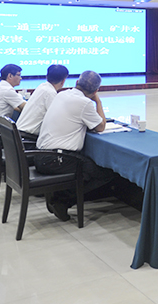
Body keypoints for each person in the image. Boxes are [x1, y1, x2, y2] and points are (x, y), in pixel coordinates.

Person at [35, 71, 116, 222]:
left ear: (77, 83)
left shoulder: (62, 94)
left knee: (88, 166)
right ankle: (62, 201)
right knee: (104, 173)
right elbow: (100, 127)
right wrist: (98, 102)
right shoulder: (84, 103)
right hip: (56, 159)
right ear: (96, 91)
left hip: (41, 155)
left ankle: (58, 197)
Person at [15, 64, 70, 140]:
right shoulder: (50, 93)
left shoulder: (42, 87)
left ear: (46, 76)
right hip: (28, 137)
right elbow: (56, 119)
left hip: (20, 134)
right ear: (63, 81)